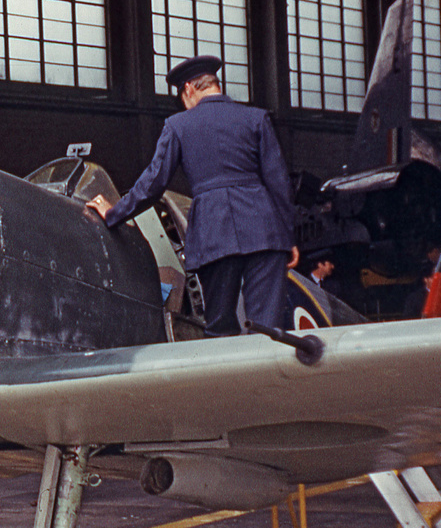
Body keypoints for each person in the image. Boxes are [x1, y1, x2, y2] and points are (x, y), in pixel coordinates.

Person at [87, 55, 297, 336]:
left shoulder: (178, 125)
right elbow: (279, 182)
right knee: (268, 329)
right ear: (215, 85)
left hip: (214, 232)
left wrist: (113, 213)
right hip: (264, 231)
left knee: (220, 327)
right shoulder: (256, 118)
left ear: (188, 89)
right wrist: (288, 236)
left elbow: (153, 183)